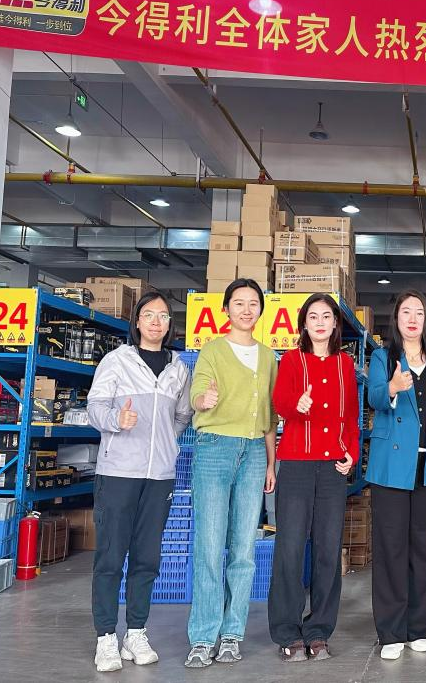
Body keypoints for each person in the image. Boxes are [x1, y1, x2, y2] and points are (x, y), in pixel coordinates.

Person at [88, 292, 193, 673]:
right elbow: (95, 407)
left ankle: (136, 631)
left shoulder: (178, 369)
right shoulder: (117, 361)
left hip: (159, 476)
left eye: (163, 316)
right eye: (148, 315)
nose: (155, 322)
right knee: (111, 557)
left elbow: (182, 416)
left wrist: (166, 443)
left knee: (147, 558)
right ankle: (105, 636)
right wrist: (118, 421)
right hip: (118, 472)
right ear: (137, 321)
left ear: (169, 324)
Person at [185, 279, 278, 669]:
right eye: (238, 303)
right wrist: (202, 400)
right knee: (209, 547)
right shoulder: (212, 350)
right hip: (215, 449)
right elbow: (197, 393)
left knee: (243, 549)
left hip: (254, 452)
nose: (246, 309)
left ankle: (232, 634)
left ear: (260, 310)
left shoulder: (269, 357)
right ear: (226, 309)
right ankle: (203, 637)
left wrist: (271, 463)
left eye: (253, 303)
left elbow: (271, 416)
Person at [269, 293, 360, 663]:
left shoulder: (345, 364)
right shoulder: (292, 360)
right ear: (304, 324)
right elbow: (279, 402)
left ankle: (319, 631)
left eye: (326, 316)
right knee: (290, 549)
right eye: (313, 316)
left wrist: (351, 452)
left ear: (335, 323)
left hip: (332, 469)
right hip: (296, 466)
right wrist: (297, 404)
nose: (320, 322)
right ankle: (287, 632)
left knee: (327, 550)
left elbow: (351, 416)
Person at [365, 290, 426, 661]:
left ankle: (417, 628)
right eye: (406, 311)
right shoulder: (383, 357)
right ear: (397, 318)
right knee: (390, 548)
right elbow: (372, 397)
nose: (413, 318)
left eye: (419, 312)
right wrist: (391, 388)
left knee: (423, 549)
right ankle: (391, 632)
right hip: (391, 467)